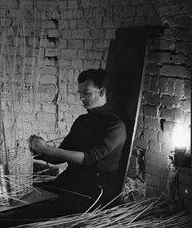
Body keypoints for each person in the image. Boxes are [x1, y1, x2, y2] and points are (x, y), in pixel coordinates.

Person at [28, 68, 127, 216]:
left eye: (86, 93)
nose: (81, 98)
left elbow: (88, 158)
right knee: (32, 195)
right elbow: (59, 157)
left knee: (44, 210)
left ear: (101, 91)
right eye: (80, 94)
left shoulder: (115, 126)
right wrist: (37, 150)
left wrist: (48, 149)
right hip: (71, 179)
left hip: (95, 189)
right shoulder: (82, 121)